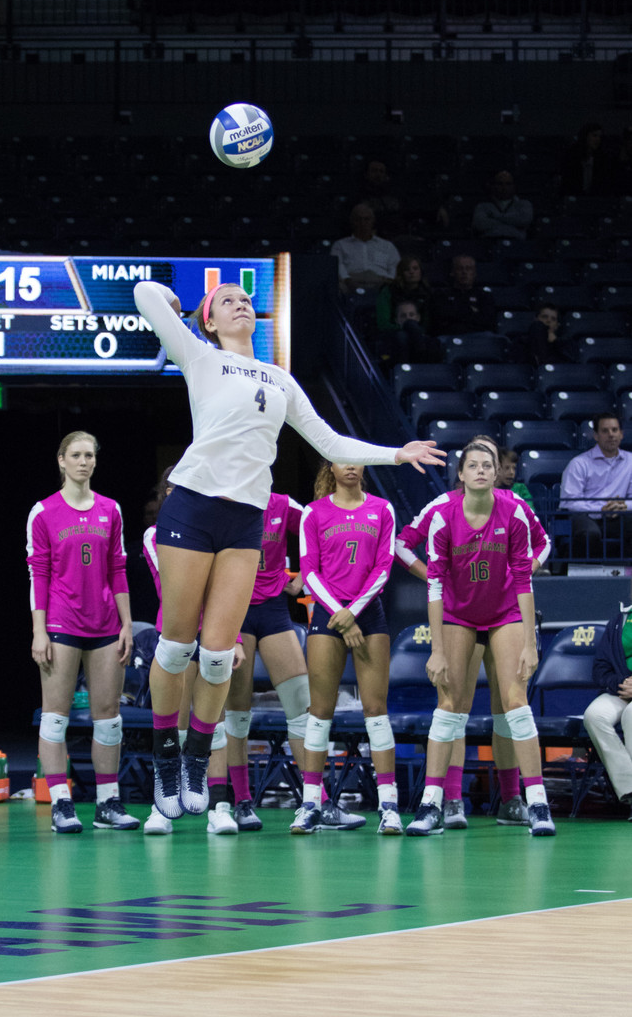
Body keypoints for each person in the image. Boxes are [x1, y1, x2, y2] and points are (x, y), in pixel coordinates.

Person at [132, 278, 444, 823]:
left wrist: (396, 453)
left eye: (245, 299)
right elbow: (142, 293)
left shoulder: (280, 378)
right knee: (177, 645)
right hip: (192, 506)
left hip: (244, 519)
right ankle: (164, 757)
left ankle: (196, 759)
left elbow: (329, 443)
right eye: (226, 300)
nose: (240, 303)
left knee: (216, 655)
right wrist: (177, 302)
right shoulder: (199, 356)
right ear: (209, 320)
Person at [395, 434, 551, 829]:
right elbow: (403, 548)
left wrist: (530, 634)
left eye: (488, 464)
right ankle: (440, 803)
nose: (481, 470)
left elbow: (539, 552)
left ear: (498, 472)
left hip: (504, 614)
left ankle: (531, 803)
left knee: (513, 705)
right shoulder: (443, 513)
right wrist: (434, 580)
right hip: (459, 615)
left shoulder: (513, 509)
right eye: (474, 465)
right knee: (452, 707)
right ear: (460, 474)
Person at [27, 431, 136, 834]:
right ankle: (61, 804)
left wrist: (127, 623)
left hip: (106, 625)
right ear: (61, 460)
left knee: (108, 719)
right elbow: (38, 574)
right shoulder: (43, 513)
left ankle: (108, 803)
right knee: (55, 719)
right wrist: (39, 631)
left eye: (90, 454)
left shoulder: (111, 509)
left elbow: (118, 570)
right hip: (60, 625)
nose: (84, 461)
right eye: (76, 455)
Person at [293, 460, 401, 835]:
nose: (351, 466)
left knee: (376, 710)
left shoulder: (382, 508)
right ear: (331, 467)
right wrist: (339, 613)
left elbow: (384, 567)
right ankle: (310, 804)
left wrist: (353, 612)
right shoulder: (313, 512)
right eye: (342, 459)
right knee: (320, 712)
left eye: (356, 459)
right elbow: (308, 570)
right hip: (328, 614)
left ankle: (389, 806)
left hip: (368, 614)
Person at [141, 466, 241, 837]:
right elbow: (177, 588)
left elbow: (226, 592)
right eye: (172, 488)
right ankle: (161, 807)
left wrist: (235, 640)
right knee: (176, 722)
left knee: (211, 726)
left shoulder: (220, 534)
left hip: (213, 633)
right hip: (179, 633)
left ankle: (218, 806)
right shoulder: (156, 537)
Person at [224, 491, 315, 831]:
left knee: (301, 704)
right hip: (236, 612)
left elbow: (315, 525)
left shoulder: (283, 504)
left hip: (275, 609)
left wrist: (304, 574)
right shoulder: (225, 504)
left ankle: (312, 801)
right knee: (237, 714)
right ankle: (243, 802)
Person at [560, 413, 632, 560]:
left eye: (614, 430)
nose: (611, 435)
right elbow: (569, 501)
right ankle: (577, 574)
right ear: (596, 435)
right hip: (587, 516)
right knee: (589, 534)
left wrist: (623, 505)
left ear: (621, 434)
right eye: (605, 431)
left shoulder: (631, 461)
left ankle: (624, 574)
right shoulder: (579, 463)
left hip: (618, 516)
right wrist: (600, 508)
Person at [583, 604, 632, 818]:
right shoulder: (619, 622)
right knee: (594, 716)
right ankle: (629, 788)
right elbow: (601, 668)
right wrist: (620, 684)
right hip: (622, 690)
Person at [330, 203, 401, 294]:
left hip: (381, 281)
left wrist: (389, 280)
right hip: (351, 281)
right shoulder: (340, 245)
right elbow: (337, 265)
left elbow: (395, 266)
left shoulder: (387, 246)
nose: (362, 223)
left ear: (373, 221)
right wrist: (347, 279)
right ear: (352, 221)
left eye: (366, 219)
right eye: (358, 219)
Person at [431, 255, 498, 339]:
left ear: (474, 273)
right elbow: (441, 319)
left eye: (468, 268)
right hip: (450, 336)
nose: (464, 272)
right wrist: (471, 312)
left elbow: (487, 321)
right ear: (452, 272)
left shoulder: (484, 296)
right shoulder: (441, 295)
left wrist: (456, 315)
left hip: (478, 337)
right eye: (460, 268)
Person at [375, 255, 433, 335]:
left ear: (421, 271)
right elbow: (383, 323)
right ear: (400, 273)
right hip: (395, 334)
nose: (411, 272)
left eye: (415, 268)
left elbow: (428, 321)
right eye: (406, 269)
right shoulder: (388, 291)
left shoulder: (427, 292)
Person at [471, 170, 533, 241]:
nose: (504, 187)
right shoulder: (482, 206)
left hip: (517, 244)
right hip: (489, 243)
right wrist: (511, 223)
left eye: (508, 184)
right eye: (500, 184)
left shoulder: (524, 204)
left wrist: (495, 216)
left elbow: (524, 221)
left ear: (514, 186)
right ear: (493, 186)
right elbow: (480, 224)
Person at [560, 122, 614, 196]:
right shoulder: (572, 156)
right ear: (585, 136)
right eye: (594, 136)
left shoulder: (602, 159)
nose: (598, 139)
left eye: (600, 137)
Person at [518, 301, 575, 366]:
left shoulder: (565, 344)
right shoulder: (522, 341)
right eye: (544, 317)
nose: (548, 321)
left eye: (553, 319)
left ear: (557, 325)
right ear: (536, 319)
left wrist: (556, 342)